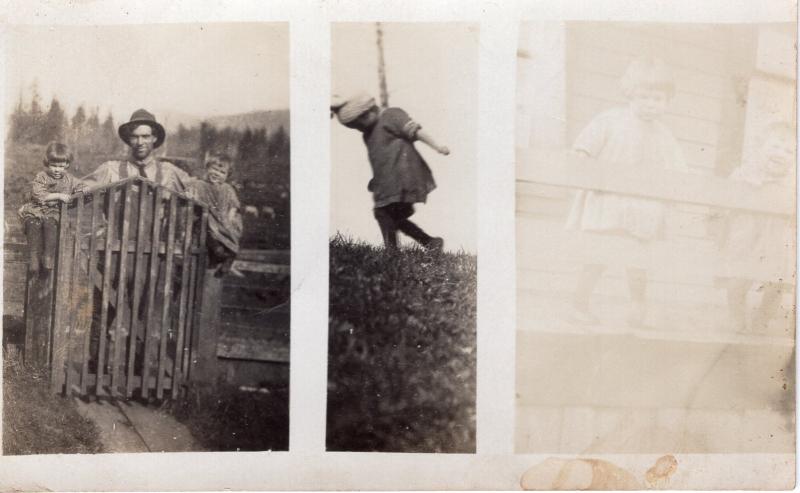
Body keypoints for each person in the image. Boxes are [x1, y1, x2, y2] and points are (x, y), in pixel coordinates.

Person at [565, 58, 688, 327]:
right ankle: (579, 304)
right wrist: (584, 161)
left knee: (638, 262)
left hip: (643, 211)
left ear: (667, 101)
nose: (650, 103)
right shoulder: (610, 120)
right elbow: (583, 149)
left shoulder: (665, 136)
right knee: (598, 258)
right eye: (644, 96)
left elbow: (678, 172)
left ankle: (637, 308)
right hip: (608, 205)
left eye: (657, 98)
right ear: (630, 93)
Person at [331, 93, 449, 251]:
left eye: (360, 124)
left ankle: (393, 252)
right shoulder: (367, 135)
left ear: (368, 111)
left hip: (404, 174)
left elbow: (416, 131)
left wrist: (437, 146)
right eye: (355, 127)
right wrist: (376, 178)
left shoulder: (392, 116)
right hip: (388, 181)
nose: (360, 129)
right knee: (391, 216)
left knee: (383, 212)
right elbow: (379, 159)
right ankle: (429, 243)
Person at [717, 122, 795, 333]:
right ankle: (736, 317)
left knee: (777, 281)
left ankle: (762, 318)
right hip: (746, 235)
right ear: (761, 147)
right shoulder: (745, 173)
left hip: (776, 239)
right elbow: (725, 199)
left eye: (789, 151)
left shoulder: (791, 183)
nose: (781, 154)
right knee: (738, 279)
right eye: (775, 147)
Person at [82, 108, 193, 191]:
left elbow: (200, 188)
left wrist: (193, 191)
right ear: (129, 139)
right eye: (135, 137)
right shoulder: (110, 170)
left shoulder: (169, 173)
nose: (140, 142)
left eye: (145, 136)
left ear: (154, 138)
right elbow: (79, 187)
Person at [18, 142, 87, 274]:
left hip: (53, 212)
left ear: (67, 165)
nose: (57, 169)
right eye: (53, 165)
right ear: (47, 163)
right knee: (33, 223)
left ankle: (48, 256)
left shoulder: (69, 179)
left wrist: (84, 188)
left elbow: (80, 185)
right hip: (37, 209)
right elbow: (38, 194)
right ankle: (33, 257)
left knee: (51, 224)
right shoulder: (42, 176)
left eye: (61, 166)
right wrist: (59, 195)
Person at [187, 152, 245, 277]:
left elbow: (234, 204)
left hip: (224, 218)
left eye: (222, 172)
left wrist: (231, 215)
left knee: (230, 237)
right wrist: (192, 195)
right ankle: (219, 256)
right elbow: (193, 196)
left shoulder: (227, 188)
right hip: (207, 219)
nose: (217, 174)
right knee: (211, 236)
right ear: (207, 168)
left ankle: (229, 257)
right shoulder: (199, 184)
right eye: (214, 169)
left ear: (227, 176)